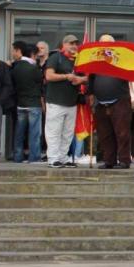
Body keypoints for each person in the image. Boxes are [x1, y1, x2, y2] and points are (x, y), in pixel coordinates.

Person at [89, 35, 132, 170]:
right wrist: (89, 94)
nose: (104, 46)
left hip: (120, 100)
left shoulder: (121, 60)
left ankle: (124, 160)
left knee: (122, 133)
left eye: (107, 43)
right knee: (105, 134)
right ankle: (109, 160)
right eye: (102, 43)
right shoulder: (95, 61)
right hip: (100, 102)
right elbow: (91, 79)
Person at [43, 35, 83, 168]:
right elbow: (48, 75)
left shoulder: (78, 60)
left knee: (68, 133)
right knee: (54, 131)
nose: (74, 46)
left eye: (76, 43)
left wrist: (79, 80)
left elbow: (85, 77)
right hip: (56, 101)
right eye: (71, 43)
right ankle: (53, 158)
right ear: (64, 45)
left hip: (71, 102)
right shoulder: (56, 57)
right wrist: (66, 76)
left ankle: (63, 158)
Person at [10, 41, 43, 164]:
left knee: (19, 132)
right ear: (32, 54)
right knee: (34, 132)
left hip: (20, 103)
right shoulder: (33, 68)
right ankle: (34, 157)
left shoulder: (16, 67)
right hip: (33, 103)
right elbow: (40, 81)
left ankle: (18, 156)